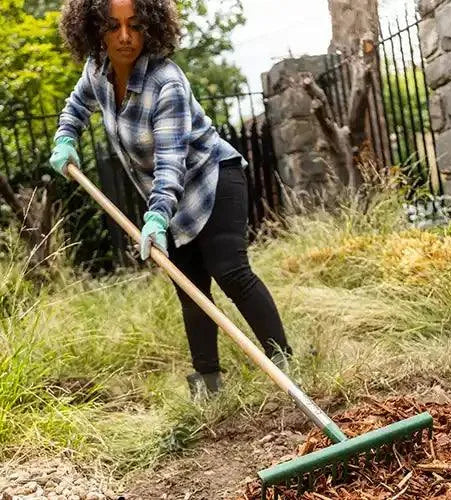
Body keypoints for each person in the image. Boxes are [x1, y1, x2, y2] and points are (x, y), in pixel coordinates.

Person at [50, 0, 292, 398]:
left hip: (212, 178)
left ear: (151, 27)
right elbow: (76, 107)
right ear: (95, 29)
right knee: (189, 284)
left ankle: (284, 361)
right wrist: (65, 137)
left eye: (135, 25)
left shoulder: (167, 82)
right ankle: (209, 386)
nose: (125, 37)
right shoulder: (97, 69)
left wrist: (158, 215)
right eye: (113, 26)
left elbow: (170, 161)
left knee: (228, 269)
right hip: (169, 197)